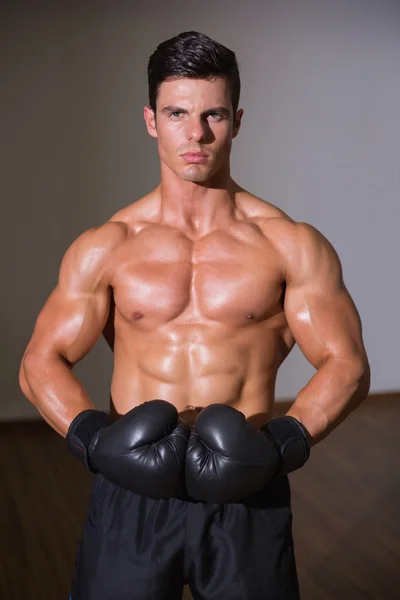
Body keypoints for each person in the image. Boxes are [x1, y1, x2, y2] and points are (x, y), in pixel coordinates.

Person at [19, 31, 370, 600]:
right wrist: (92, 440)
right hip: (130, 491)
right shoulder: (107, 245)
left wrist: (284, 443)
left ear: (237, 119)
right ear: (151, 120)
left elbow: (346, 364)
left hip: (247, 489)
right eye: (177, 113)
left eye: (214, 115)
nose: (196, 134)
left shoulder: (290, 245)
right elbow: (40, 361)